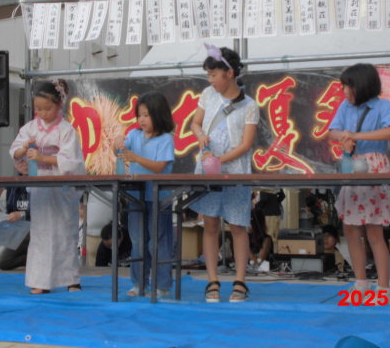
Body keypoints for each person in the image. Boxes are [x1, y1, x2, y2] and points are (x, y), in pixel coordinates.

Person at [190, 44, 259, 302]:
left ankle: (240, 281)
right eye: (208, 75)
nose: (210, 80)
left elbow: (245, 144)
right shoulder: (208, 95)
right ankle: (212, 281)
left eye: (213, 74)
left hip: (236, 172)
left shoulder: (249, 105)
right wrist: (200, 136)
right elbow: (195, 123)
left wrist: (220, 160)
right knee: (209, 224)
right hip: (208, 169)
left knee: (238, 225)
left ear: (229, 74)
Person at [329, 63, 390, 298]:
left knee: (374, 230)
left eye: (348, 86)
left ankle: (383, 287)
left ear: (362, 85)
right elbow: (332, 131)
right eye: (343, 86)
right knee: (350, 228)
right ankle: (361, 282)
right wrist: (343, 137)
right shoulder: (345, 107)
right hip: (351, 165)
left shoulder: (382, 106)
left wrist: (356, 135)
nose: (344, 91)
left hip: (374, 165)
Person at [9, 79, 86, 294]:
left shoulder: (66, 130)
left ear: (59, 105)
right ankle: (40, 280)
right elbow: (15, 151)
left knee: (65, 232)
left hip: (61, 187)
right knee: (41, 233)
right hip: (40, 186)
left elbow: (72, 161)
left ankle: (71, 278)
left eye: (48, 108)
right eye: (39, 109)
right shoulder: (30, 128)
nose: (43, 113)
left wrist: (44, 157)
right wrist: (22, 150)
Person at [113, 91, 175, 297]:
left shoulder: (165, 139)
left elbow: (159, 166)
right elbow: (120, 151)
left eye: (146, 115)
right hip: (136, 196)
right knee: (138, 241)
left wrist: (136, 158)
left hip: (159, 197)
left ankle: (162, 285)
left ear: (159, 114)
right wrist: (117, 142)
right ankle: (138, 283)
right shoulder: (133, 135)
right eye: (139, 115)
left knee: (158, 241)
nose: (142, 119)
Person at [0, 159, 30, 271]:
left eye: (27, 161)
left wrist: (22, 214)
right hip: (19, 231)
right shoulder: (12, 184)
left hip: (38, 228)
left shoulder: (42, 180)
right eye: (20, 162)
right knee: (3, 262)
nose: (24, 164)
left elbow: (44, 210)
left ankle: (41, 257)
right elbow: (9, 210)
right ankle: (33, 258)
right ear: (15, 165)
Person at [254, 188, 285, 254]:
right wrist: (275, 203)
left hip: (268, 214)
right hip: (277, 214)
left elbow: (264, 200)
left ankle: (269, 254)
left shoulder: (264, 187)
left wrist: (256, 206)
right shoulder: (275, 185)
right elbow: (282, 196)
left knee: (268, 235)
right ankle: (276, 252)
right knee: (276, 236)